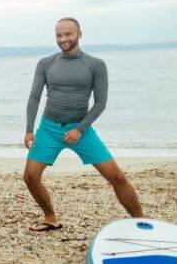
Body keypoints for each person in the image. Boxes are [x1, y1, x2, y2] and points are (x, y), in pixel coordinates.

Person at [23, 17, 144, 231]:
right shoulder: (45, 63)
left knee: (117, 177)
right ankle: (50, 218)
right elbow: (34, 97)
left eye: (68, 34)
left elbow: (100, 103)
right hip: (49, 128)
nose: (63, 39)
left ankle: (141, 221)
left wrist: (79, 129)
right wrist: (29, 129)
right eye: (59, 35)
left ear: (79, 34)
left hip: (82, 129)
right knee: (31, 178)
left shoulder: (95, 64)